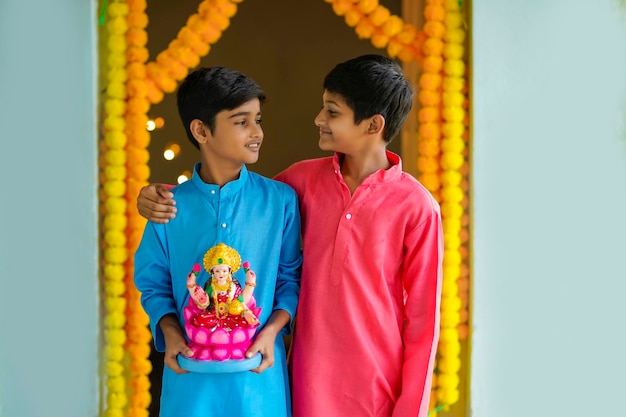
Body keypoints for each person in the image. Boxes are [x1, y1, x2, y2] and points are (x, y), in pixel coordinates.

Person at [138, 54, 443, 417]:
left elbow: (425, 321)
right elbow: (233, 201)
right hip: (304, 379)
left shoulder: (418, 207)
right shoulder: (300, 182)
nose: (318, 119)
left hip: (378, 385)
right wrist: (159, 197)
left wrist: (411, 410)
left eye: (332, 111)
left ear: (373, 124)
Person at [133, 66, 302, 417]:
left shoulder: (280, 201)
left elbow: (290, 278)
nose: (257, 133)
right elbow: (153, 284)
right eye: (242, 122)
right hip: (190, 381)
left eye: (258, 120)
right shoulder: (169, 206)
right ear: (201, 130)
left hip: (259, 383)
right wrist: (169, 330)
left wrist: (272, 331)